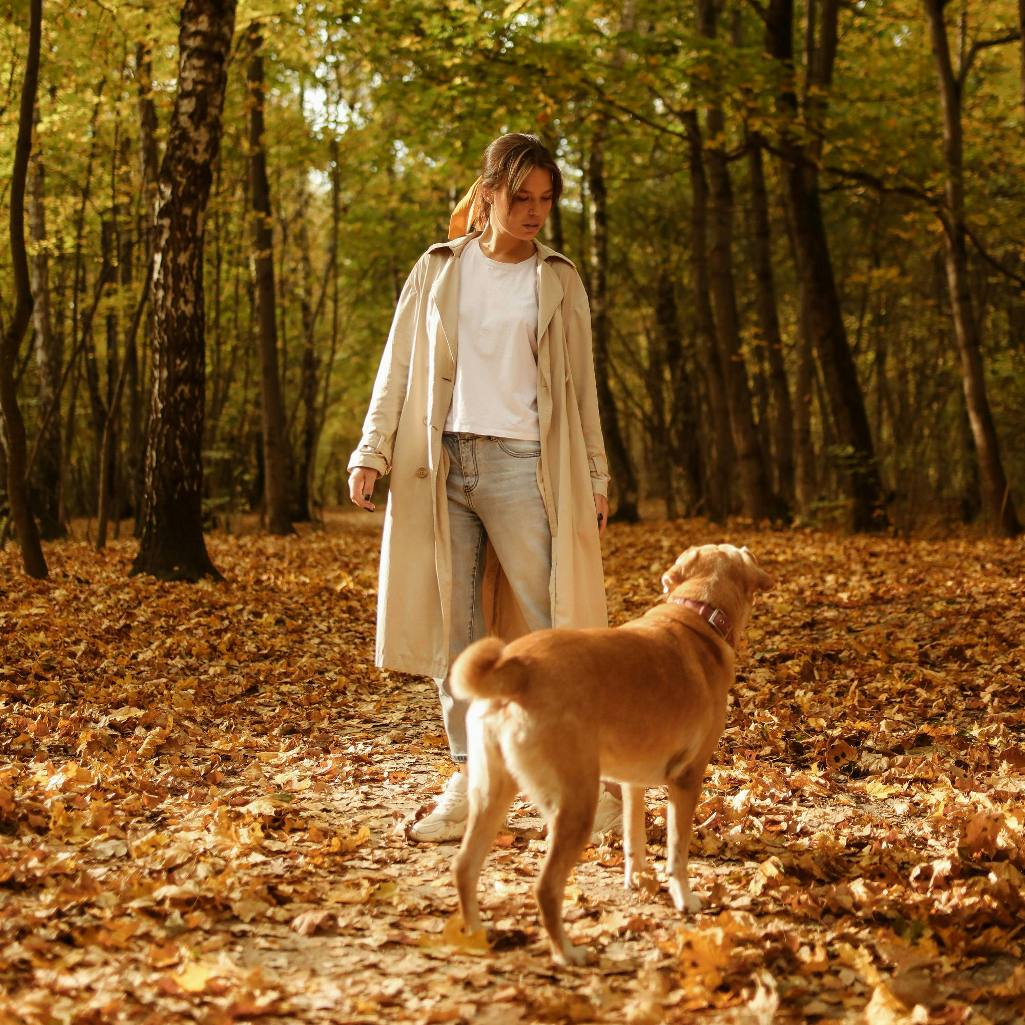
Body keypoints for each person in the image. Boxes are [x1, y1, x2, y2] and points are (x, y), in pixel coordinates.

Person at [347, 133, 621, 842]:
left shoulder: (557, 278)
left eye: (545, 200)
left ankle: (585, 779)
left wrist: (595, 473)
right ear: (488, 192)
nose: (534, 213)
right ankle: (471, 781)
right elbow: (397, 365)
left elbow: (583, 387)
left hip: (524, 466)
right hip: (438, 467)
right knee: (456, 636)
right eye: (520, 197)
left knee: (552, 626)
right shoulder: (439, 269)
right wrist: (369, 450)